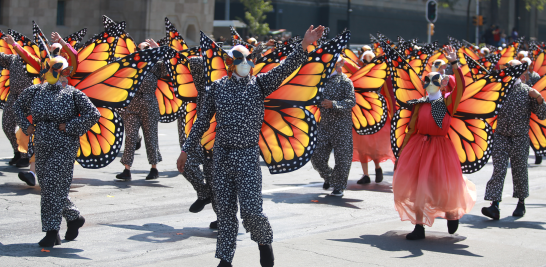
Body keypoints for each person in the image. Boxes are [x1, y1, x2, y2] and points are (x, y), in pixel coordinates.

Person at [177, 25, 324, 267]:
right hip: (221, 158)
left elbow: (285, 68)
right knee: (225, 214)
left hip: (247, 158)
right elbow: (201, 121)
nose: (245, 62)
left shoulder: (259, 85)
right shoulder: (217, 88)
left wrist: (304, 45)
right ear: (230, 63)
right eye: (239, 59)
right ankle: (225, 260)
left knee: (252, 212)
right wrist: (186, 150)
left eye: (247, 58)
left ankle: (264, 244)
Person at [14, 55, 100, 247]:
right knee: (50, 187)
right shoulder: (35, 91)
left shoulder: (72, 93)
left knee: (52, 185)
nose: (55, 73)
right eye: (51, 69)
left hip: (64, 146)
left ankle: (51, 232)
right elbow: (17, 106)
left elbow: (93, 114)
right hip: (42, 145)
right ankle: (74, 217)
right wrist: (26, 125)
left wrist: (70, 126)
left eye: (59, 70)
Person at [393, 46, 477, 240]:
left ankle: (451, 213)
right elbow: (411, 129)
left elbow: (461, 88)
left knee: (443, 185)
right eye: (427, 80)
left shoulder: (448, 102)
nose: (431, 83)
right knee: (418, 186)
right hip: (419, 148)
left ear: (441, 83)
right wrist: (402, 152)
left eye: (435, 80)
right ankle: (419, 226)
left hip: (440, 148)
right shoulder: (420, 104)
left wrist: (455, 63)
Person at [481, 60, 546, 220]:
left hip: (520, 137)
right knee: (499, 170)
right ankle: (494, 205)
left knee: (520, 171)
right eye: (508, 68)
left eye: (512, 68)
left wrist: (538, 97)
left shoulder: (527, 91)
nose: (509, 70)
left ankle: (521, 203)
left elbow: (542, 114)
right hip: (501, 136)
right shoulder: (500, 89)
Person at [177, 55, 218, 227]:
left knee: (215, 179)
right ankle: (203, 194)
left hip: (214, 141)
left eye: (195, 71)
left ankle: (222, 218)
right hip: (197, 138)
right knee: (186, 165)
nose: (192, 74)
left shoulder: (216, 88)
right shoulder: (197, 89)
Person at [115, 40, 166, 181]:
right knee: (130, 136)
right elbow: (116, 66)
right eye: (139, 48)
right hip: (132, 105)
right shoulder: (133, 64)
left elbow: (170, 66)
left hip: (149, 105)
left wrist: (159, 49)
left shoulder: (156, 65)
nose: (142, 51)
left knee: (151, 137)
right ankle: (127, 169)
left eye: (146, 48)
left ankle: (154, 168)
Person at [311, 57, 356, 196]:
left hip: (342, 126)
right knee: (316, 156)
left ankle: (339, 186)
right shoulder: (320, 81)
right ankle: (330, 177)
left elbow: (351, 101)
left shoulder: (345, 82)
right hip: (324, 125)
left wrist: (334, 104)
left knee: (343, 159)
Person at [353, 52, 396, 184]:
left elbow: (388, 96)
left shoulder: (376, 75)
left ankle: (372, 171)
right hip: (368, 113)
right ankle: (371, 171)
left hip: (371, 113)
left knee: (368, 146)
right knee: (367, 146)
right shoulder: (367, 75)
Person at [0, 34, 36, 167]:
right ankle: (17, 151)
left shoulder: (33, 60)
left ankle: (25, 155)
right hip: (13, 97)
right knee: (7, 126)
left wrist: (14, 44)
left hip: (28, 98)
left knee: (25, 129)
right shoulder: (13, 59)